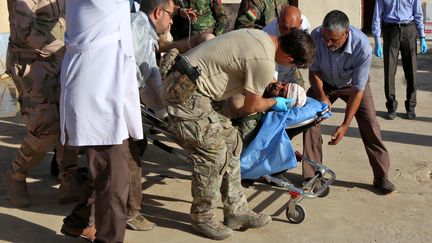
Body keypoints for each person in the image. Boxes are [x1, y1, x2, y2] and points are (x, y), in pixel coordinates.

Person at [163, 28, 315, 240]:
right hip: (185, 94)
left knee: (233, 142)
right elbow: (252, 106)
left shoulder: (260, 37)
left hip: (195, 89)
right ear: (290, 58)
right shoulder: (265, 61)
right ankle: (202, 217)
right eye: (294, 65)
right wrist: (274, 102)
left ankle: (236, 211)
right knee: (213, 153)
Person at [59, 0, 144, 242]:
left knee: (110, 173)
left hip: (107, 89)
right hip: (98, 94)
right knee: (113, 183)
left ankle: (79, 222)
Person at [303, 10, 396, 195]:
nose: (328, 44)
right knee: (309, 120)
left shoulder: (362, 46)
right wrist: (322, 96)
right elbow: (313, 72)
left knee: (370, 123)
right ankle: (312, 175)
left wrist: (345, 125)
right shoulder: (316, 36)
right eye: (326, 39)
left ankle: (381, 177)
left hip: (351, 85)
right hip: (324, 82)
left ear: (346, 33)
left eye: (334, 40)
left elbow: (358, 90)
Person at [4, 0, 82, 208]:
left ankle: (68, 178)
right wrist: (68, 48)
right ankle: (17, 173)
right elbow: (25, 32)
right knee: (45, 128)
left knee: (70, 121)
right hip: (32, 63)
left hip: (63, 59)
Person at [372, 0, 428, 120]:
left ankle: (411, 107)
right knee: (389, 72)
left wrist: (422, 36)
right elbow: (377, 16)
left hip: (409, 30)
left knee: (411, 72)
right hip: (390, 31)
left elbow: (418, 14)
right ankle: (391, 107)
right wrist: (377, 40)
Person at [263, 4, 311, 85]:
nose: (288, 33)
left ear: (300, 23)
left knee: (299, 93)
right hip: (274, 68)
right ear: (278, 21)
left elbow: (306, 46)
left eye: (293, 29)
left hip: (292, 69)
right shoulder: (268, 35)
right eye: (284, 28)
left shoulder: (304, 25)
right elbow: (270, 71)